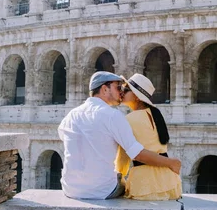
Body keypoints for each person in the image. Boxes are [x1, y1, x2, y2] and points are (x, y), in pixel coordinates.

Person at [58, 71, 181, 199]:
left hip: (70, 189)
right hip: (102, 190)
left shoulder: (70, 115)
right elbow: (137, 154)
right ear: (105, 89)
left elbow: (64, 136)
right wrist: (171, 163)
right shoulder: (113, 116)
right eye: (118, 87)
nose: (121, 91)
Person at [115, 73, 182, 200]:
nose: (122, 92)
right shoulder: (156, 114)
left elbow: (123, 158)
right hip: (169, 180)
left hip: (145, 182)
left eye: (126, 89)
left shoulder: (129, 119)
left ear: (136, 96)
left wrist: (119, 175)